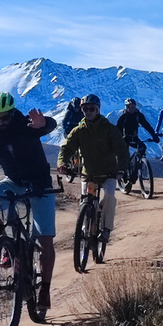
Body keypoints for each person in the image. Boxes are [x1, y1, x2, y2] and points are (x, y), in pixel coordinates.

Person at [0, 92, 58, 311]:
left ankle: (44, 289)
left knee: (45, 241)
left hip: (40, 184)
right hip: (13, 181)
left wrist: (44, 124)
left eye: (5, 116)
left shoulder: (25, 125)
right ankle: (5, 245)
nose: (1, 121)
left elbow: (46, 127)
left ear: (12, 112)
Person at [58, 94, 129, 244]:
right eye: (85, 109)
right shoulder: (79, 130)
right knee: (85, 201)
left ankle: (106, 229)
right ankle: (83, 230)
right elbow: (66, 148)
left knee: (109, 195)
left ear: (98, 110)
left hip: (108, 173)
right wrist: (62, 163)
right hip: (88, 174)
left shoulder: (110, 129)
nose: (88, 112)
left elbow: (122, 151)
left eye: (91, 109)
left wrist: (121, 169)